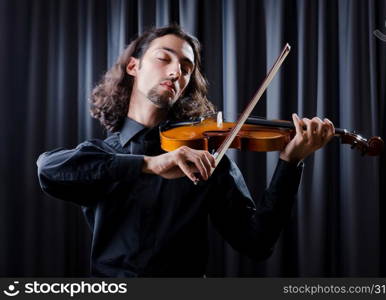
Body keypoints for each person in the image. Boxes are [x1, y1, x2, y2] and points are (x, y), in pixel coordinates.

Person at [37, 25, 335, 277]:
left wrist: (290, 162)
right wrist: (150, 164)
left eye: (186, 68)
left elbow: (256, 243)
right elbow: (48, 169)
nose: (175, 71)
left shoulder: (206, 158)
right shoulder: (101, 155)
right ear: (133, 66)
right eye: (163, 58)